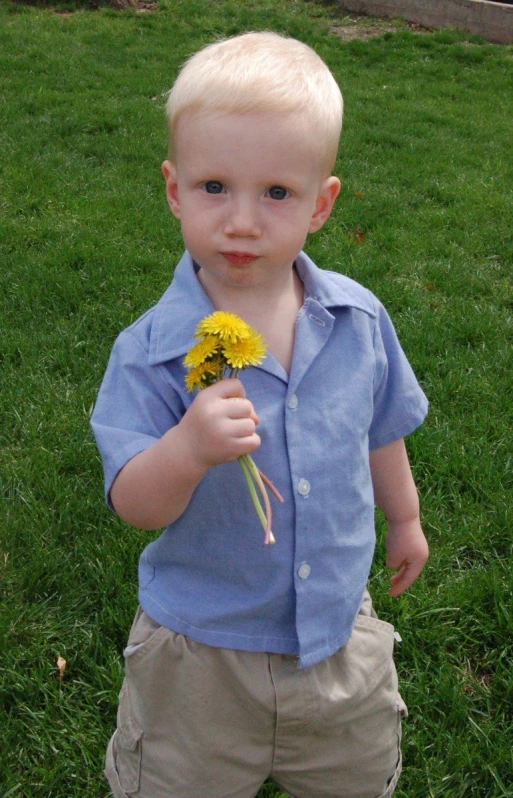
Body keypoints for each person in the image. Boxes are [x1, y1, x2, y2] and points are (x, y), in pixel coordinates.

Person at [91, 31, 429, 798]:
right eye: (214, 187)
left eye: (276, 193)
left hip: (339, 643)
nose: (241, 221)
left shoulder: (357, 320)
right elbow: (134, 505)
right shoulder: (150, 352)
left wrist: (403, 518)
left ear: (321, 204)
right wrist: (186, 448)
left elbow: (381, 429)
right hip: (199, 665)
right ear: (174, 190)